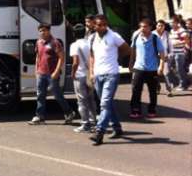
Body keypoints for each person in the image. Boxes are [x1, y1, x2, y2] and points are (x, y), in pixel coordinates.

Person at [89, 15, 131, 145]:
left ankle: (99, 132)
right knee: (108, 104)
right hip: (97, 74)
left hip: (111, 74)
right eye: (99, 25)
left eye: (104, 24)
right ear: (94, 25)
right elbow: (91, 56)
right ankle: (117, 128)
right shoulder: (92, 38)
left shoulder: (114, 36)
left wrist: (116, 57)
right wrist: (91, 72)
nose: (102, 27)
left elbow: (127, 49)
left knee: (104, 104)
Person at [28, 24, 76, 125]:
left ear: (49, 31)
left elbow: (61, 57)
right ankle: (39, 116)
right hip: (41, 73)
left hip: (52, 74)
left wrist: (56, 71)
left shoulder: (55, 43)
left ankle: (69, 113)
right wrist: (36, 69)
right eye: (40, 31)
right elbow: (38, 56)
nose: (42, 32)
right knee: (40, 95)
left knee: (57, 95)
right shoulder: (39, 42)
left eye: (44, 30)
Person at [129, 18, 166, 119]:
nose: (142, 29)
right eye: (141, 26)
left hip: (152, 69)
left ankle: (152, 109)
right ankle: (136, 110)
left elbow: (162, 53)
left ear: (150, 27)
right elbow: (133, 51)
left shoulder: (155, 38)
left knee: (152, 91)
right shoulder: (136, 36)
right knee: (136, 90)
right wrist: (130, 64)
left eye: (145, 27)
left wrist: (161, 66)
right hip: (138, 68)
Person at [70, 27, 97, 133]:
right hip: (89, 75)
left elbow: (75, 62)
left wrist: (72, 73)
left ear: (74, 34)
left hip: (80, 76)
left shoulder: (74, 45)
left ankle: (85, 124)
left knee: (81, 100)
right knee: (91, 99)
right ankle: (93, 121)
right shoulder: (89, 43)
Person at [169, 15, 190, 91]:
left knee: (179, 69)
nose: (171, 24)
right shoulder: (171, 31)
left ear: (177, 23)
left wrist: (177, 43)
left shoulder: (181, 30)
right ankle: (178, 82)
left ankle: (183, 85)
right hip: (172, 52)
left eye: (172, 22)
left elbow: (187, 41)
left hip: (180, 53)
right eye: (170, 22)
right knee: (168, 67)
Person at [154, 19, 173, 97]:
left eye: (162, 25)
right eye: (159, 25)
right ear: (156, 26)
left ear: (164, 27)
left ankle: (169, 90)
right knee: (155, 74)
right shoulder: (152, 34)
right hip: (154, 57)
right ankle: (157, 87)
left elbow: (170, 45)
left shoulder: (167, 34)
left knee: (166, 74)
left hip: (164, 56)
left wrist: (170, 54)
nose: (160, 27)